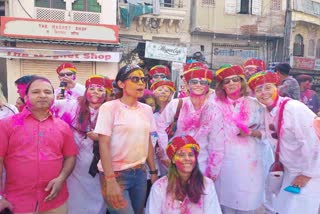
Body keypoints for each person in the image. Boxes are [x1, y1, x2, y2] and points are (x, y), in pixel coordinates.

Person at [0, 76, 78, 214]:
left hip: (54, 201)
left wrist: (61, 178)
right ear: (25, 97)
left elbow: (70, 157)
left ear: (53, 97)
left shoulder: (63, 126)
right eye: (36, 92)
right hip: (17, 203)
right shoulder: (7, 124)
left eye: (47, 92)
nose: (42, 95)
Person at [248, 71, 320, 214]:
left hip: (308, 174)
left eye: (267, 87)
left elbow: (314, 143)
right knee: (282, 209)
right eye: (258, 90)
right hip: (289, 172)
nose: (263, 93)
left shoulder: (293, 108)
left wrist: (307, 174)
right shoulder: (268, 111)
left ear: (277, 88)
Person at [95, 64, 158, 214]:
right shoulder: (109, 108)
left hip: (140, 173)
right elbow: (103, 144)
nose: (141, 83)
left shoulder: (147, 109)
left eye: (143, 79)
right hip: (115, 174)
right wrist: (110, 180)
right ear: (121, 84)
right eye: (135, 79)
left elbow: (147, 141)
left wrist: (153, 171)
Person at [53, 75, 111, 214]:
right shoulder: (73, 106)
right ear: (85, 92)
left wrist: (101, 137)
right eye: (91, 89)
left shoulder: (111, 111)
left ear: (106, 93)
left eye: (100, 89)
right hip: (76, 166)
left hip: (100, 166)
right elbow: (51, 104)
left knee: (98, 198)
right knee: (75, 199)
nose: (95, 92)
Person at [213, 65, 266, 213]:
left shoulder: (256, 104)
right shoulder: (214, 104)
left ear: (241, 82)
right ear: (221, 86)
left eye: (235, 80)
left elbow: (266, 133)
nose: (231, 83)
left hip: (249, 164)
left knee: (246, 204)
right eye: (226, 81)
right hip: (223, 164)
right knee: (224, 204)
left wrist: (251, 132)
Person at [156, 66, 224, 175]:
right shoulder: (177, 104)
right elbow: (160, 127)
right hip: (176, 161)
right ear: (187, 84)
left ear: (208, 86)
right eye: (194, 81)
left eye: (203, 82)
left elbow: (217, 143)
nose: (198, 85)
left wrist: (213, 170)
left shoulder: (214, 110)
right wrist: (166, 153)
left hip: (201, 164)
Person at [146, 135, 222, 214]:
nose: (187, 158)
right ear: (173, 160)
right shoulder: (159, 187)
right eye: (181, 155)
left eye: (191, 155)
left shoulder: (206, 184)